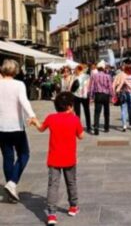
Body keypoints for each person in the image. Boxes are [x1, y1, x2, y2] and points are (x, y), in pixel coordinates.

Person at [31, 92, 84, 225]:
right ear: (70, 106)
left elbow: (41, 128)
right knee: (71, 182)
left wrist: (35, 121)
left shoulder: (51, 118)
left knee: (53, 185)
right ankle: (73, 207)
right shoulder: (74, 119)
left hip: (54, 158)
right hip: (69, 158)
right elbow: (81, 136)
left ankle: (52, 214)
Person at [0, 59, 37, 202]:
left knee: (8, 157)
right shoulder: (18, 84)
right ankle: (12, 182)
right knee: (24, 154)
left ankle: (11, 191)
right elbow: (24, 101)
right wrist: (32, 116)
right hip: (16, 126)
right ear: (15, 70)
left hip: (1, 127)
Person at [88, 60, 114, 135]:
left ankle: (96, 127)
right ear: (103, 68)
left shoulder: (94, 76)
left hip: (98, 95)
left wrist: (91, 96)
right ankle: (106, 127)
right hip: (106, 95)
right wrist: (112, 96)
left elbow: (92, 86)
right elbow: (110, 87)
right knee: (106, 112)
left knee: (97, 112)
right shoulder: (108, 76)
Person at [113, 65, 131, 132]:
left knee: (123, 110)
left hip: (123, 95)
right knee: (130, 109)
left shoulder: (123, 77)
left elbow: (119, 86)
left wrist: (116, 91)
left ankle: (124, 125)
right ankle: (130, 118)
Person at [72, 65, 91, 132]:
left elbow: (72, 87)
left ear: (78, 70)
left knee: (77, 113)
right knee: (87, 111)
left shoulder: (75, 77)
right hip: (85, 96)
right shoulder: (87, 76)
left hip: (76, 95)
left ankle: (78, 127)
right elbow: (89, 86)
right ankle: (89, 127)